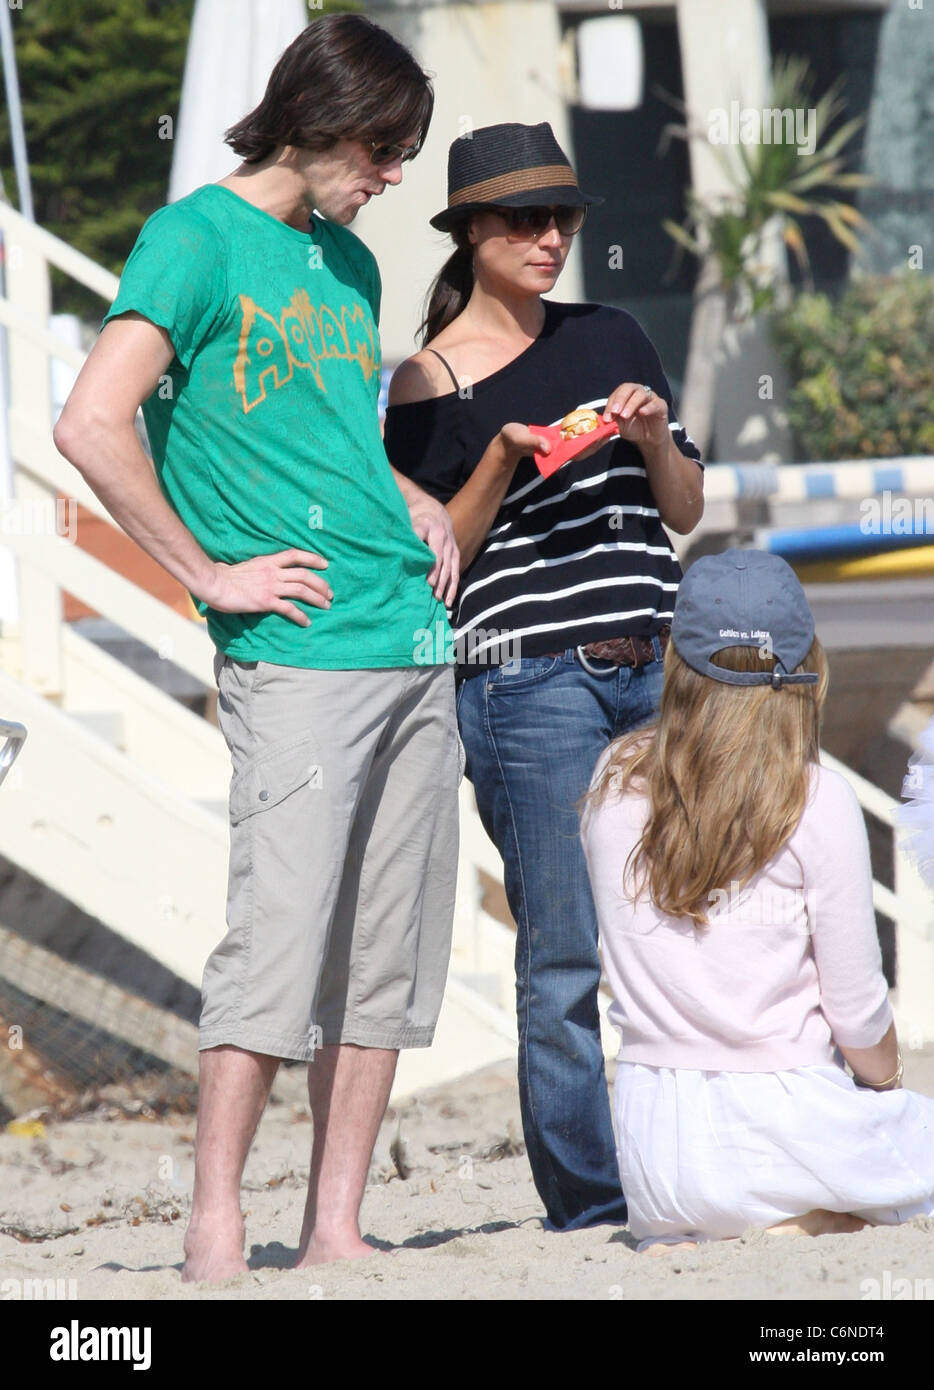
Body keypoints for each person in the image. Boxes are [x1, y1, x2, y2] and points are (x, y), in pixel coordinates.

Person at [53, 15, 462, 1281]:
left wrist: (408, 493)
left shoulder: (345, 265)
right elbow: (91, 422)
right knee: (277, 942)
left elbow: (327, 430)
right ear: (321, 115)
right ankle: (216, 1221)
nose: (393, 176)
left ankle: (333, 1224)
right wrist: (207, 574)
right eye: (384, 148)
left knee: (386, 954)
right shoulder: (193, 238)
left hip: (410, 632)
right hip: (294, 655)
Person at [384, 122, 704, 1230]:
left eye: (561, 216)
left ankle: (692, 1166)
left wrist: (657, 434)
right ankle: (591, 1204)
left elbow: (682, 509)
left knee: (690, 921)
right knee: (565, 948)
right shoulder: (424, 382)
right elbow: (437, 559)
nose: (548, 237)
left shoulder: (613, 329)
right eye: (522, 218)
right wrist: (504, 456)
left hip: (654, 655)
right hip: (528, 679)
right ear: (470, 231)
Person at [579, 549, 934, 1251]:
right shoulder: (815, 799)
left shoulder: (613, 785)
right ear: (806, 666)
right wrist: (888, 1083)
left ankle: (772, 1219)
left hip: (655, 1152)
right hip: (779, 1123)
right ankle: (807, 1216)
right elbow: (858, 1016)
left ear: (677, 662)